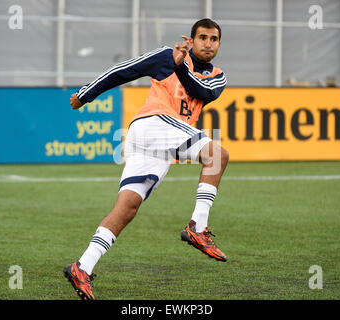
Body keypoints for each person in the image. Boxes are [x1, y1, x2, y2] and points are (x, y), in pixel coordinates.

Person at [64, 18, 229, 300]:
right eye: (203, 37)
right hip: (154, 124)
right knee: (217, 154)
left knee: (127, 208)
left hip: (160, 145)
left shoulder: (217, 76)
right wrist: (85, 94)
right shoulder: (167, 55)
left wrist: (180, 66)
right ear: (192, 39)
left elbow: (200, 91)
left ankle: (82, 266)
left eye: (214, 39)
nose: (208, 44)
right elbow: (124, 71)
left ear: (218, 44)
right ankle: (197, 228)